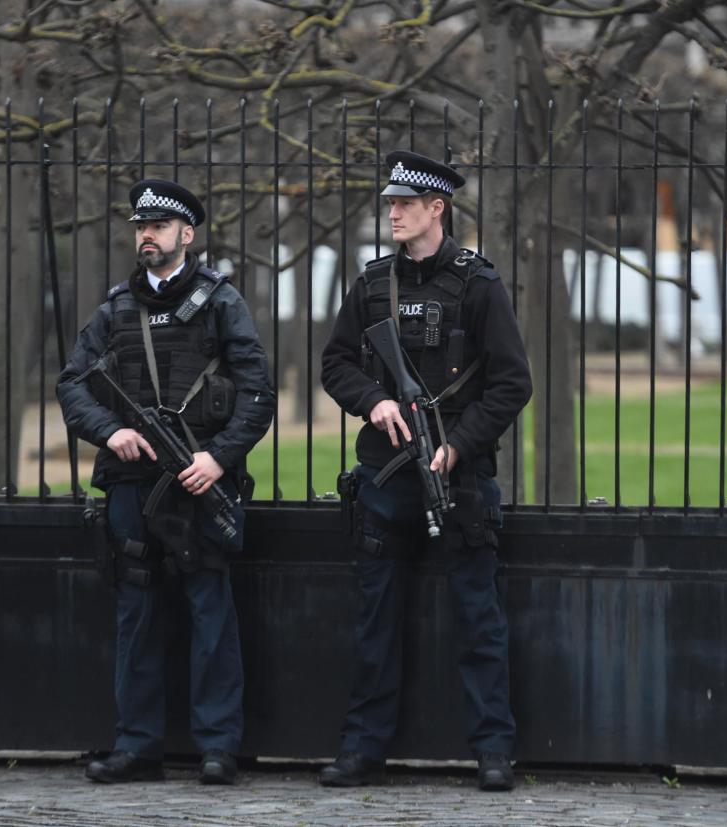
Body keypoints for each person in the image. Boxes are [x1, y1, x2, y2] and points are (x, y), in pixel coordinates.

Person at [319, 150, 533, 791]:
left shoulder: (479, 285)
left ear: (437, 207)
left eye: (405, 204)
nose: (394, 213)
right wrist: (375, 400)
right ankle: (363, 751)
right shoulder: (370, 282)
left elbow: (512, 383)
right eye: (390, 204)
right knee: (374, 622)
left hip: (458, 478)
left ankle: (494, 751)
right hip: (386, 476)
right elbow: (336, 364)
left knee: (478, 620)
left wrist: (459, 445)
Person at [57, 178, 274, 784]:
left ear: (187, 235)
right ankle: (138, 745)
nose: (146, 235)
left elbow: (258, 393)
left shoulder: (221, 303)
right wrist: (109, 432)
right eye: (140, 226)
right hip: (131, 481)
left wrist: (219, 459)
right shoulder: (114, 310)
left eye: (157, 226)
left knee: (210, 612)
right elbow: (72, 384)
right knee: (138, 615)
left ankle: (217, 747)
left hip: (199, 480)